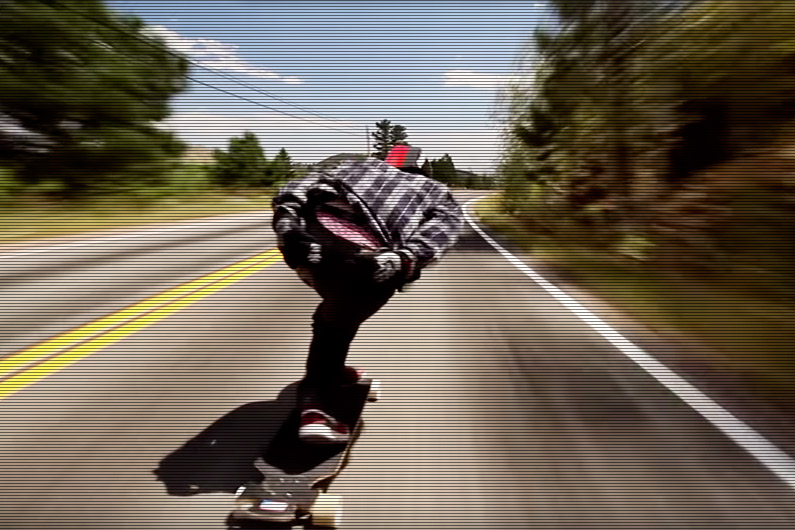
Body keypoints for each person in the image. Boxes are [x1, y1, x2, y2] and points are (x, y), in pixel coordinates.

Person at [271, 144, 463, 443]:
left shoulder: (354, 165)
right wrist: (406, 258)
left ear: (387, 162)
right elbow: (444, 228)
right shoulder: (436, 190)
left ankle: (333, 370)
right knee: (342, 316)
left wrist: (287, 219)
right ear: (420, 170)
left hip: (309, 235)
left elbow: (300, 185)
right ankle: (316, 408)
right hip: (366, 253)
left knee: (335, 311)